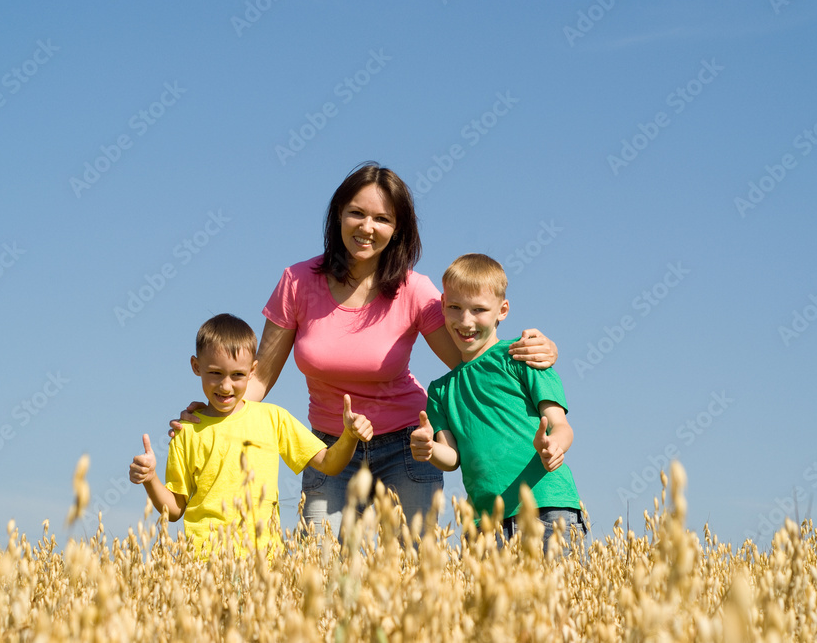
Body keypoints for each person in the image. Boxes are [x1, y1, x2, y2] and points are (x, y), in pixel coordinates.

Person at [170, 162, 559, 534]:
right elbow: (259, 379)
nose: (367, 228)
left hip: (406, 445)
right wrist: (216, 414)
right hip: (328, 446)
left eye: (383, 219)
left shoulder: (414, 289)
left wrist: (534, 353)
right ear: (338, 214)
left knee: (413, 566)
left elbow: (472, 357)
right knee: (318, 569)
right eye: (357, 213)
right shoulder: (298, 282)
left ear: (398, 227)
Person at [130, 313, 372, 556]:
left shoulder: (273, 418)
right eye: (215, 373)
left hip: (265, 561)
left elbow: (329, 464)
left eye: (237, 375)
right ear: (196, 367)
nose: (226, 386)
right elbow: (173, 511)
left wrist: (349, 435)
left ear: (252, 370)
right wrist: (150, 477)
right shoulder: (186, 431)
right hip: (204, 563)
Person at [409, 254, 586, 553]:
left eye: (479, 310)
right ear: (442, 305)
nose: (465, 321)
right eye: (455, 308)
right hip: (484, 525)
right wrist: (428, 450)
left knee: (556, 599)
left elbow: (561, 425)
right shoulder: (440, 390)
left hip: (547, 506)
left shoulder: (523, 358)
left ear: (502, 310)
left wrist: (555, 445)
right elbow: (451, 457)